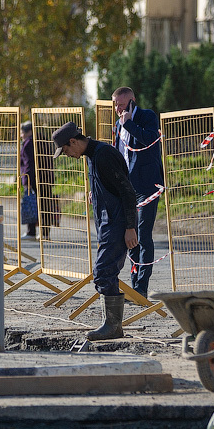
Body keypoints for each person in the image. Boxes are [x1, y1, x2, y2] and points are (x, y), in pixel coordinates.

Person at [52, 121, 139, 340]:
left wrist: (130, 227)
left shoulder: (104, 155)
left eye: (66, 150)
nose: (68, 155)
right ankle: (111, 325)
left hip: (118, 224)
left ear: (73, 141)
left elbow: (128, 192)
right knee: (105, 272)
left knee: (103, 272)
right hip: (107, 223)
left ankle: (113, 327)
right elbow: (109, 186)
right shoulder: (92, 156)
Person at [111, 86, 164, 298]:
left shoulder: (146, 117)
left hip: (147, 187)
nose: (118, 109)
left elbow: (149, 141)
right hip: (128, 189)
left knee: (143, 234)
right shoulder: (118, 124)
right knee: (130, 235)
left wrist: (130, 124)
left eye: (121, 105)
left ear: (132, 101)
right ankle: (135, 285)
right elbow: (117, 156)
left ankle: (142, 286)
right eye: (115, 105)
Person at [18, 121, 39, 239]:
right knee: (40, 204)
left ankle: (31, 231)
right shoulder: (39, 141)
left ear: (29, 132)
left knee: (30, 204)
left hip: (31, 178)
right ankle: (44, 232)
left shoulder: (28, 144)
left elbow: (28, 164)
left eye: (22, 133)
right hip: (41, 177)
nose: (21, 135)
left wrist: (27, 180)